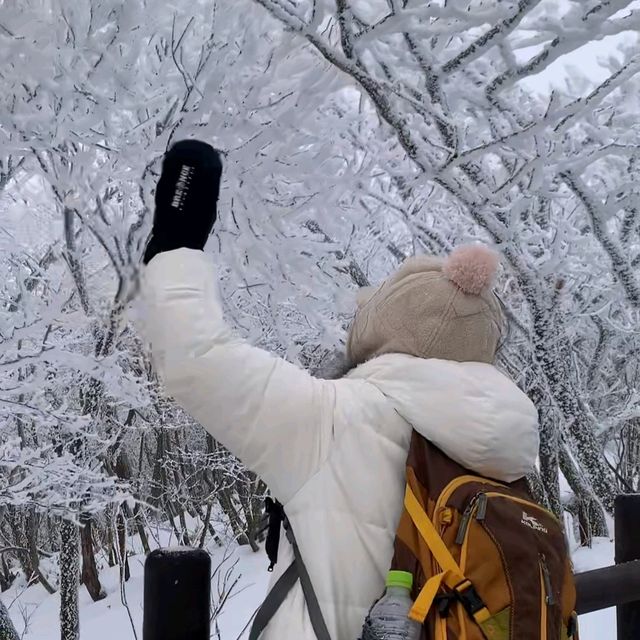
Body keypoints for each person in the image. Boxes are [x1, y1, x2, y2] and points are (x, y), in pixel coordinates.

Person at [142, 140, 539, 640]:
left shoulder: (334, 418)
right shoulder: (511, 453)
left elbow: (195, 358)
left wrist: (177, 243)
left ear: (380, 328)